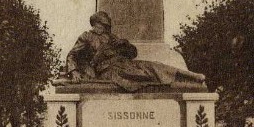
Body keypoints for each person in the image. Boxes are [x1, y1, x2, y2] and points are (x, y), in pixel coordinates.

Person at [63, 11, 206, 93]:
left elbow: (133, 53)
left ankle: (191, 76)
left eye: (105, 25)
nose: (102, 28)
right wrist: (74, 71)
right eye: (99, 25)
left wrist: (124, 44)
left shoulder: (111, 37)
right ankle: (182, 81)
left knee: (153, 66)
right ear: (94, 24)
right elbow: (72, 55)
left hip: (125, 63)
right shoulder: (86, 36)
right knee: (140, 75)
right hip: (108, 70)